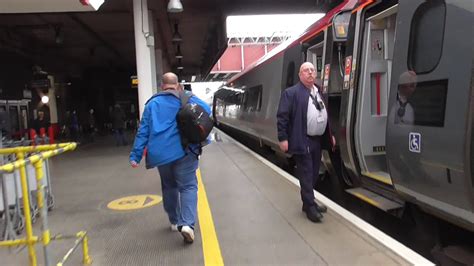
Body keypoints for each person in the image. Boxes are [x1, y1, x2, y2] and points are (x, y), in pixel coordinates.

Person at [129, 72, 211, 244]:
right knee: (188, 186)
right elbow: (207, 111)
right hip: (185, 151)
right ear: (178, 86)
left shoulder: (151, 104)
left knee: (169, 186)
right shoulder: (187, 99)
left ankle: (174, 221)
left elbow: (143, 131)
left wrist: (135, 156)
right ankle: (187, 224)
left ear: (162, 87)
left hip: (161, 155)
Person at [276, 62, 335, 223]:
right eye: (306, 70)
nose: (310, 73)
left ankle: (309, 201)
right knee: (306, 173)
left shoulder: (317, 91)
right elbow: (282, 117)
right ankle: (309, 207)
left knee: (315, 172)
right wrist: (283, 138)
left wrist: (330, 135)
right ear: (300, 75)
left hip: (317, 140)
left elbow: (324, 114)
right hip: (303, 139)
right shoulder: (291, 93)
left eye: (312, 70)